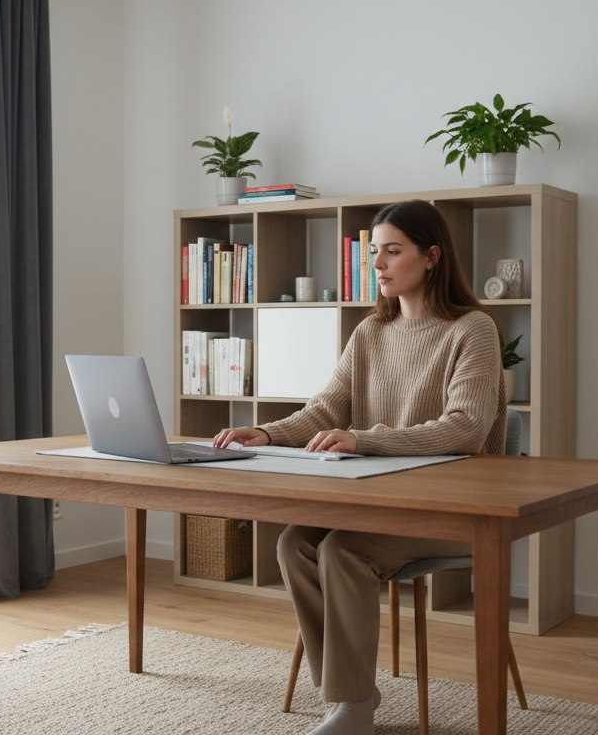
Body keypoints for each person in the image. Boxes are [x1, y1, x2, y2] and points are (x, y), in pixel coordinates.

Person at [212, 199, 507, 734]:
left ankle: (350, 709)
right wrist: (267, 432)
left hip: (455, 507)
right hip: (378, 500)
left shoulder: (473, 329)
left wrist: (363, 441)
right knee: (293, 544)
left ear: (432, 256)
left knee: (343, 549)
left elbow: (466, 427)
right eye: (374, 253)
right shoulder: (370, 332)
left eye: (393, 251)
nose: (378, 264)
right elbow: (325, 410)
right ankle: (349, 698)